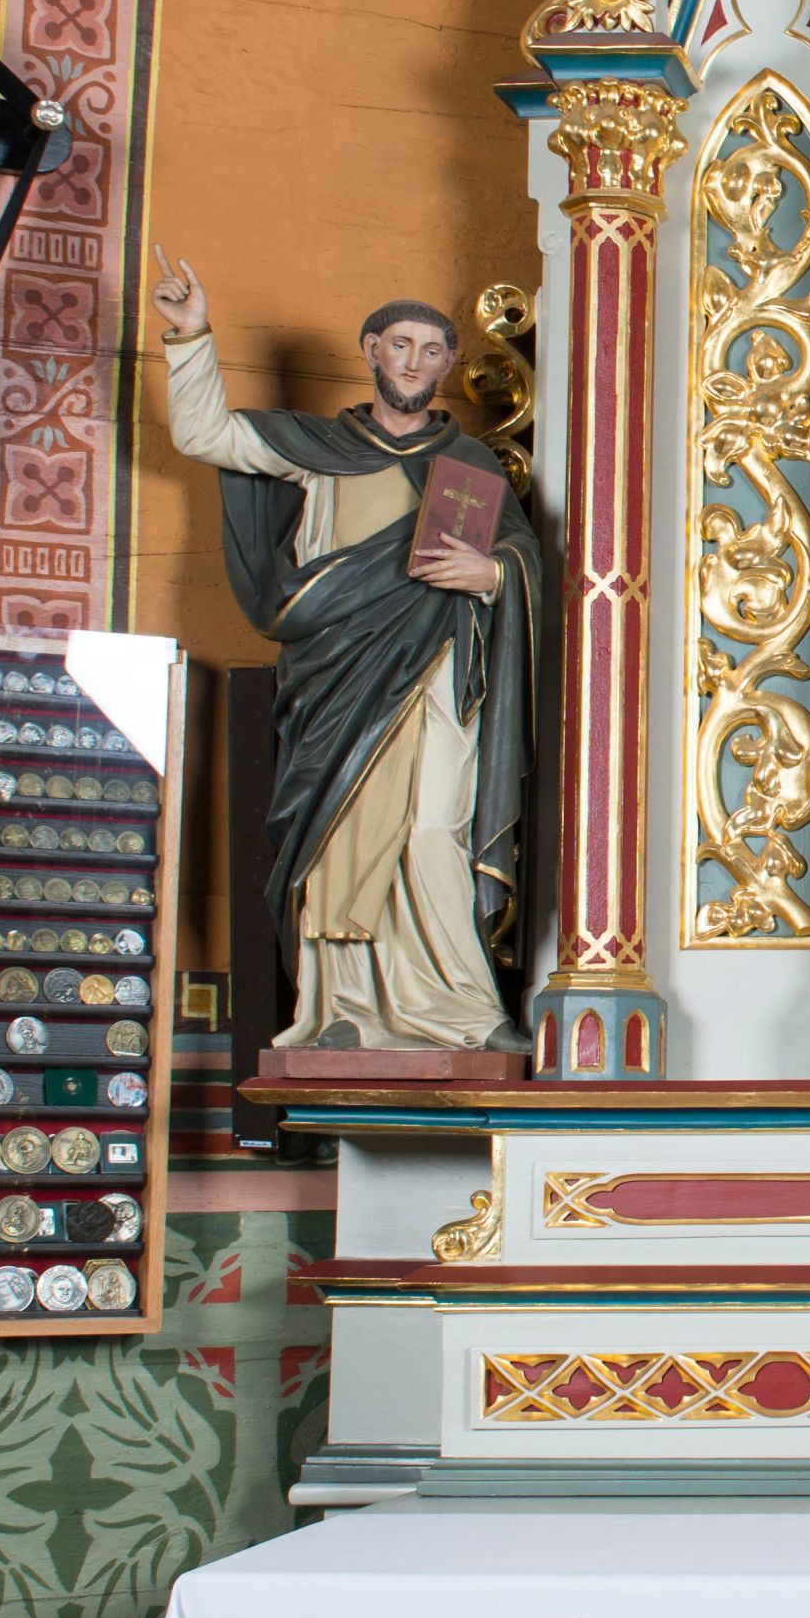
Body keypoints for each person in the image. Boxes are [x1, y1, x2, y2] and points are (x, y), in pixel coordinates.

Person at [153, 253, 538, 1050]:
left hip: (436, 669)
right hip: (335, 672)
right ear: (371, 351)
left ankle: (464, 1010)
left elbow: (523, 558)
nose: (414, 363)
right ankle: (343, 1010)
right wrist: (190, 337)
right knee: (338, 832)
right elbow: (205, 434)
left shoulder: (468, 466)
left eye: (431, 351)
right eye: (400, 346)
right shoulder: (316, 445)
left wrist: (494, 573)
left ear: (448, 365)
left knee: (433, 830)